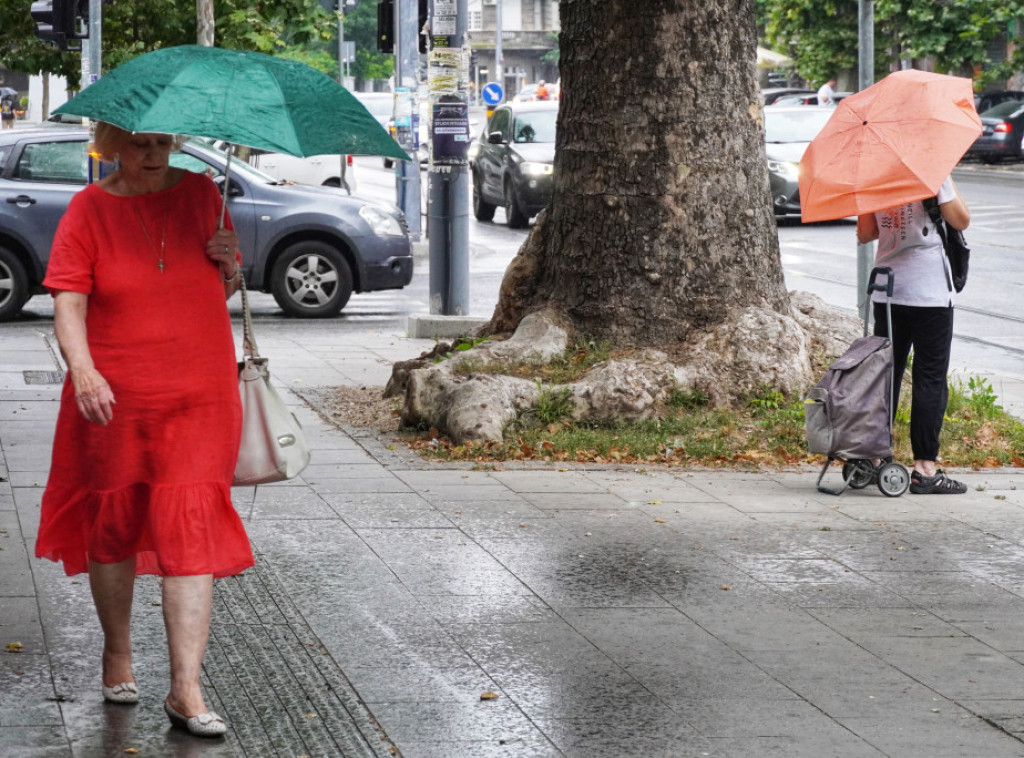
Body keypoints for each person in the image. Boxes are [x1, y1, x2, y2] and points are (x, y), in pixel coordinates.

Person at [35, 122, 252, 737]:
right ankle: (118, 653)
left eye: (161, 144)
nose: (151, 155)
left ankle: (186, 687)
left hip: (199, 395)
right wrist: (83, 372)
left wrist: (230, 264)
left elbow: (227, 282)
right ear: (112, 148)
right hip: (113, 395)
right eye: (138, 145)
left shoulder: (205, 195)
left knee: (189, 528)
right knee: (115, 524)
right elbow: (68, 300)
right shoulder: (87, 210)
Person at [856, 177, 970, 495]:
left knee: (885, 377)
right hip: (929, 293)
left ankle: (876, 456)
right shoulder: (932, 173)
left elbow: (866, 232)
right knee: (930, 378)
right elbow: (961, 220)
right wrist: (948, 180)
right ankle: (924, 469)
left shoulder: (875, 175)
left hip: (888, 291)